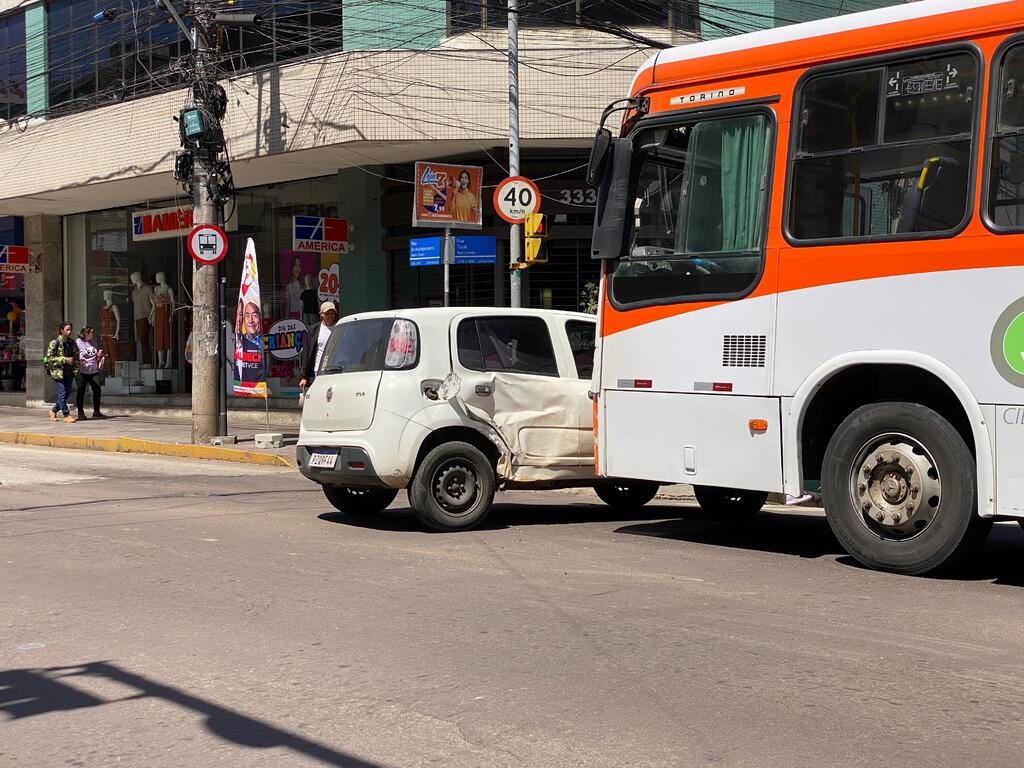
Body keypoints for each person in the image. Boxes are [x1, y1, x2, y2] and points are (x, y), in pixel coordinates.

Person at [299, 301, 339, 390]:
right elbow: (306, 353)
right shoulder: (313, 330)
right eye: (327, 313)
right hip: (319, 369)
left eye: (332, 313)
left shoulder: (339, 328)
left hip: (336, 369)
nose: (330, 316)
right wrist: (304, 377)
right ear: (321, 314)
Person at [43, 321, 78, 423]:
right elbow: (49, 358)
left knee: (67, 392)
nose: (69, 331)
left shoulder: (72, 342)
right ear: (61, 330)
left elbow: (76, 355)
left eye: (70, 329)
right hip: (59, 372)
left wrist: (77, 362)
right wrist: (64, 359)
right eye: (67, 329)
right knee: (62, 393)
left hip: (69, 371)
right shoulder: (54, 343)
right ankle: (66, 415)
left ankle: (53, 411)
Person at [75, 326, 107, 420]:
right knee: (81, 391)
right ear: (85, 334)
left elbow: (94, 355)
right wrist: (78, 358)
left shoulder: (93, 342)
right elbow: (74, 354)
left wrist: (99, 355)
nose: (92, 334)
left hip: (93, 370)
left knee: (97, 389)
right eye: (91, 333)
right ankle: (80, 413)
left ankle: (96, 412)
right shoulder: (78, 342)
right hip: (82, 371)